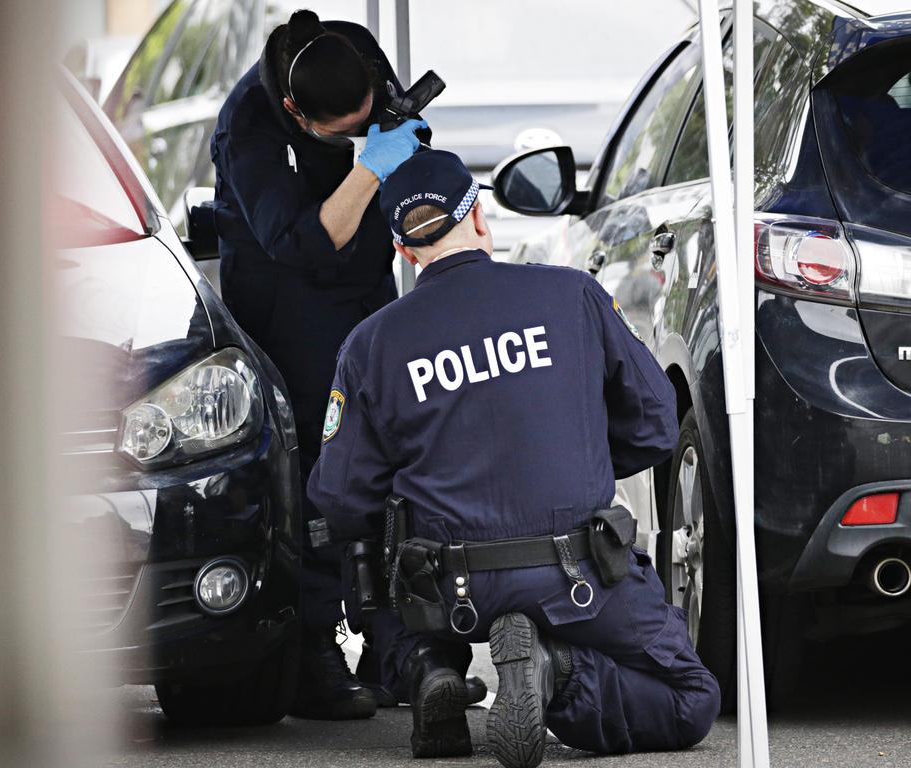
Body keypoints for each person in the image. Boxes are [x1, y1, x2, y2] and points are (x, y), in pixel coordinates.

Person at [307, 150, 721, 764]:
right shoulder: (572, 293)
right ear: (479, 218)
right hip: (579, 575)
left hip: (448, 591)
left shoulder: (371, 344)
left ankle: (426, 672)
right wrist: (572, 456)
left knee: (369, 547)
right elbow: (658, 425)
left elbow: (340, 501)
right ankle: (558, 675)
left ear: (403, 252)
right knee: (691, 697)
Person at [209, 9, 427, 720]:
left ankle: (394, 643)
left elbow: (401, 149)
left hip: (366, 286)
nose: (360, 132)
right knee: (320, 472)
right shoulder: (247, 128)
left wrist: (403, 147)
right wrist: (370, 166)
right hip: (290, 302)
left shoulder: (353, 52)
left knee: (395, 450)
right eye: (345, 131)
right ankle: (312, 649)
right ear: (300, 116)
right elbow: (308, 243)